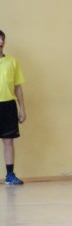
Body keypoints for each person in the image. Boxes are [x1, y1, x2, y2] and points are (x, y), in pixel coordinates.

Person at [0, 30, 26, 186]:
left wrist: (22, 108)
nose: (0, 42)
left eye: (2, 39)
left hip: (8, 105)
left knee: (8, 141)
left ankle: (10, 175)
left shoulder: (12, 62)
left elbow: (18, 87)